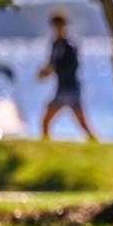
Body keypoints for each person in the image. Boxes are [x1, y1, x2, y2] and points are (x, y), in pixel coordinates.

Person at [39, 9, 97, 141]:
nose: (58, 29)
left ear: (65, 26)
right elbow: (51, 64)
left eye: (60, 25)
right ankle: (47, 146)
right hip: (61, 88)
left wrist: (53, 69)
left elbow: (72, 67)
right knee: (46, 122)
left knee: (83, 125)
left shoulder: (70, 46)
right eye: (56, 26)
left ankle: (95, 141)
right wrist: (46, 71)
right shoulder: (54, 45)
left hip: (70, 88)